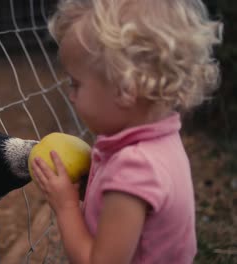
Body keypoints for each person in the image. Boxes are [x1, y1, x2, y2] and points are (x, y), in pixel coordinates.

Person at [30, 0, 222, 263]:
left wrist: (66, 207)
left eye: (76, 84)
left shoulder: (134, 170)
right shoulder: (161, 141)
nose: (71, 96)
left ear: (125, 89)